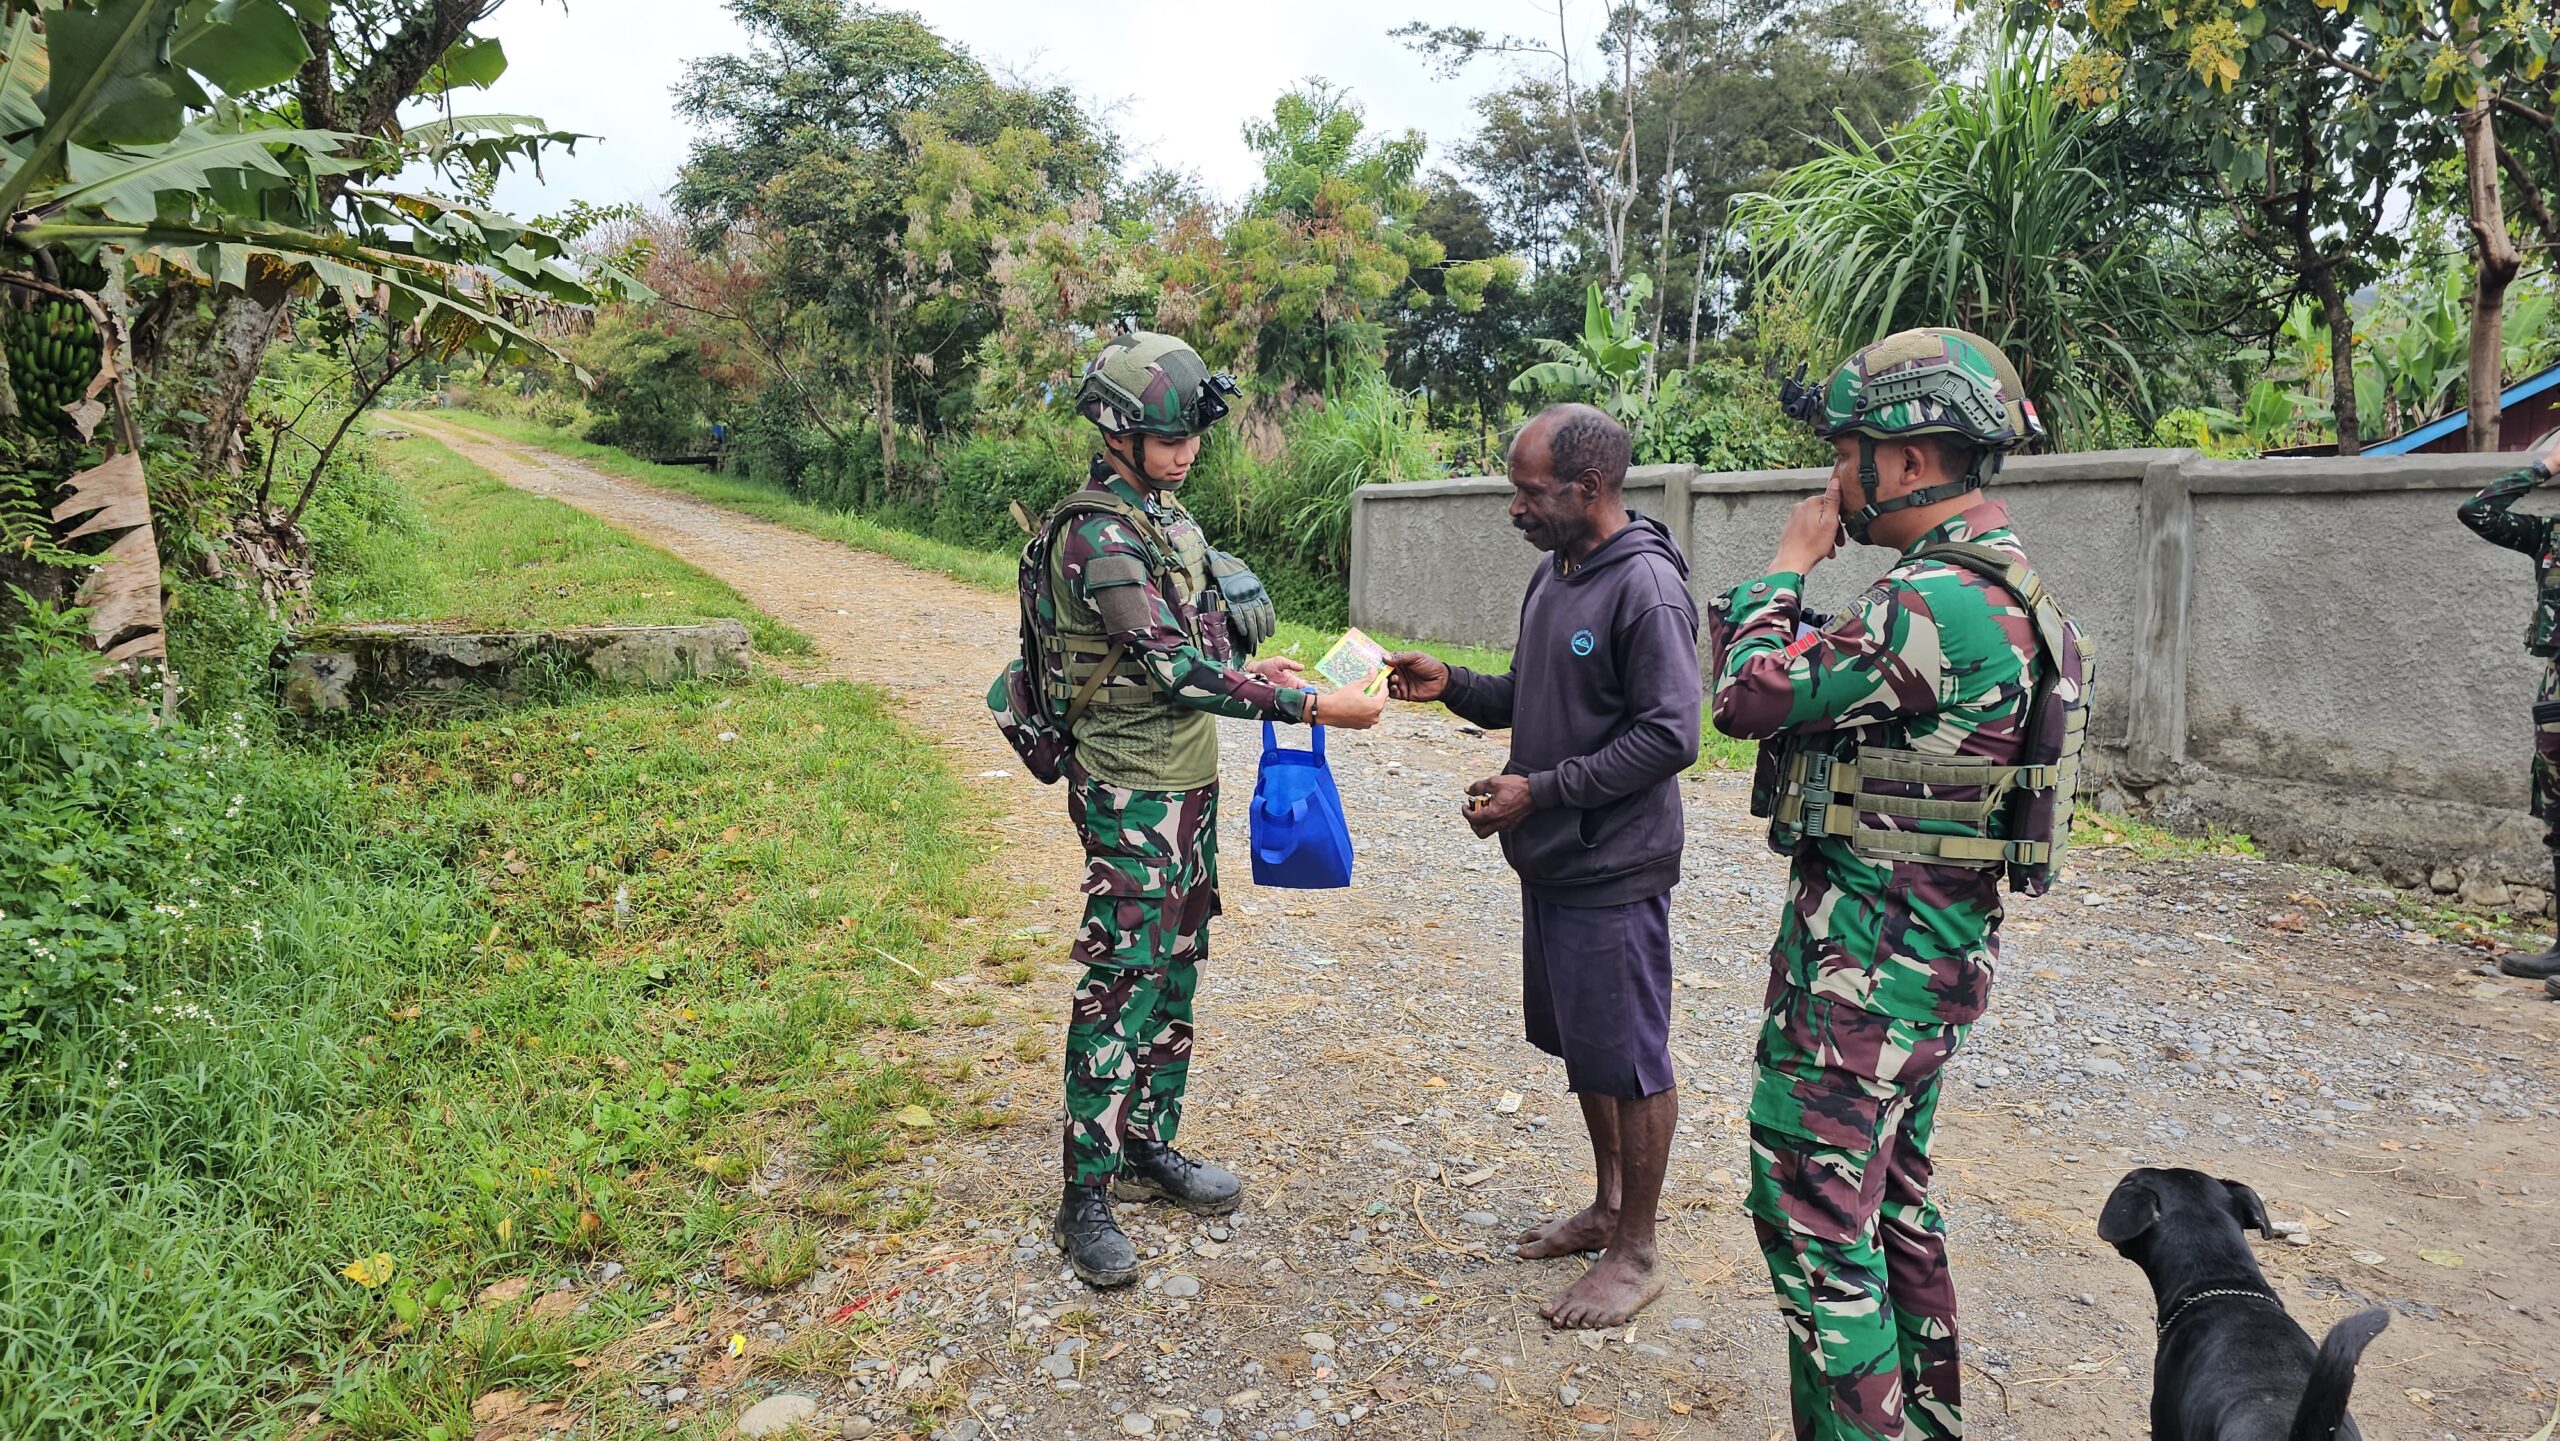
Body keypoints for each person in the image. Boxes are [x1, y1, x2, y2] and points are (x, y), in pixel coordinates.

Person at [1709, 329, 2055, 1441]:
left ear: (1908, 462)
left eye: (1848, 448)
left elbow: (1749, 695)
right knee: (1891, 1200)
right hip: (1933, 959)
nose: (1832, 476)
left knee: (1814, 1221)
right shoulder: (2012, 591)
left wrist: (1785, 563)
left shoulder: (1929, 600)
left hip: (1864, 967)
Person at [1040, 328, 1386, 1287]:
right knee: (1121, 979)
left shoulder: (1167, 518)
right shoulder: (1096, 534)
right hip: (1128, 790)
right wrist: (1312, 705)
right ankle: (1086, 1194)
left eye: (1192, 435)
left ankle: (1150, 1144)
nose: (1185, 451)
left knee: (1179, 965)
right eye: (1167, 437)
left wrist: (1258, 669)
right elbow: (1170, 666)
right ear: (1115, 432)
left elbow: (1202, 649)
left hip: (1188, 786)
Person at [1385, 403, 1701, 1329]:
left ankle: (1637, 1249)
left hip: (1614, 864)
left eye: (1528, 492)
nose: (1513, 507)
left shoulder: (1644, 586)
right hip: (1556, 859)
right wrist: (1454, 687)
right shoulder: (1555, 572)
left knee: (1632, 1055)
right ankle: (1607, 1204)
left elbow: (1673, 733)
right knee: (1587, 1043)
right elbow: (1530, 692)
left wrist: (1544, 789)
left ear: (1589, 488)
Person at [2455, 426, 2560, 992]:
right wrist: (2541, 468)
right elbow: (2477, 512)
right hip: (2557, 696)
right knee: (2558, 824)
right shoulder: (2550, 535)